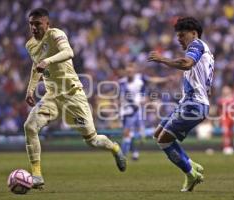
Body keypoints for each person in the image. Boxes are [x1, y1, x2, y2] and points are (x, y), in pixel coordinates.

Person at [24, 8, 126, 189]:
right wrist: (30, 90)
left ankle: (114, 148)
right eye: (31, 24)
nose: (34, 27)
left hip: (73, 95)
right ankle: (37, 175)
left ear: (47, 24)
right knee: (30, 126)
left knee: (92, 140)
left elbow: (69, 52)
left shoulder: (56, 34)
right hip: (52, 96)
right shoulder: (30, 45)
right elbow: (35, 67)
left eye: (37, 23)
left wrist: (48, 61)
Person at [148, 17, 214, 192]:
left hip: (194, 104)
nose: (179, 39)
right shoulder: (202, 49)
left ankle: (191, 174)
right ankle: (191, 165)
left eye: (182, 35)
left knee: (164, 140)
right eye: (177, 36)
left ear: (193, 33)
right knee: (158, 134)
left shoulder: (196, 45)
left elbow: (186, 64)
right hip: (189, 102)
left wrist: (162, 60)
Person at [119, 62, 168, 160]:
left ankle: (134, 152)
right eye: (128, 71)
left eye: (131, 70)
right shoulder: (122, 82)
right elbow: (125, 96)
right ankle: (123, 156)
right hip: (128, 111)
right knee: (127, 133)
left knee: (137, 134)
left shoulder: (140, 78)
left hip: (138, 111)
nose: (129, 72)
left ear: (134, 71)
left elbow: (152, 80)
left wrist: (165, 79)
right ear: (125, 72)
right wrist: (141, 100)